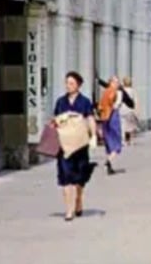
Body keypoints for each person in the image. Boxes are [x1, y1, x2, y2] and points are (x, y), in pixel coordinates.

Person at [54, 71, 96, 221]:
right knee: (65, 177)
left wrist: (94, 136)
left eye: (71, 83)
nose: (68, 86)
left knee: (79, 177)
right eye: (67, 83)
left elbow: (90, 118)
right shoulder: (61, 102)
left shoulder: (84, 102)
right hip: (64, 146)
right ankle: (69, 210)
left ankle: (78, 199)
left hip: (80, 145)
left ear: (78, 85)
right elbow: (56, 120)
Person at [97, 76, 124, 175]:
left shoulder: (105, 92)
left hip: (105, 117)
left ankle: (110, 165)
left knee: (108, 143)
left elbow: (100, 105)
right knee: (117, 144)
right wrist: (113, 106)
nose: (118, 84)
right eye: (116, 82)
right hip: (112, 116)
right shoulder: (114, 92)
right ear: (111, 82)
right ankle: (108, 161)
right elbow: (112, 101)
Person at [119, 76, 140, 146]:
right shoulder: (133, 91)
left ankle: (123, 140)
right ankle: (131, 140)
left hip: (122, 110)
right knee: (131, 125)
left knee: (123, 126)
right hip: (130, 110)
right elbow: (136, 101)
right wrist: (137, 110)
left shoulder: (121, 91)